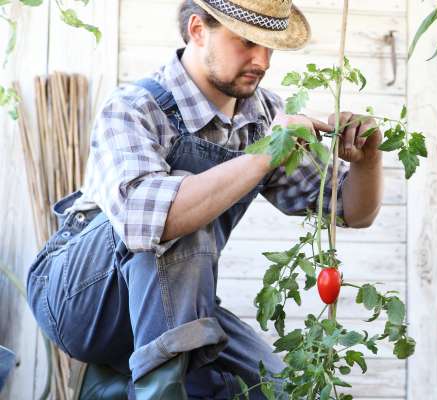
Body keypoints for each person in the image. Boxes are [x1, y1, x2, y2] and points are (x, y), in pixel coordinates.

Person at [24, 0, 384, 398]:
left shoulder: (263, 117)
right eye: (247, 42)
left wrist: (369, 159)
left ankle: (110, 388)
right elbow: (150, 220)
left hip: (174, 305)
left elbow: (350, 211)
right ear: (197, 30)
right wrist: (266, 154)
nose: (262, 60)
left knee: (287, 390)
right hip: (81, 301)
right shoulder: (134, 106)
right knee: (178, 204)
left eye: (270, 46)